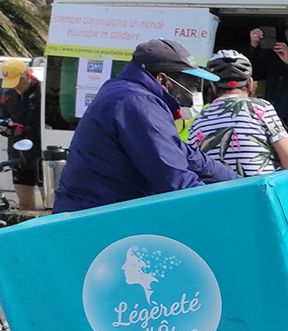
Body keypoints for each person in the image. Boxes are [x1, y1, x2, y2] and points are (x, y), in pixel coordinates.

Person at [53, 39, 237, 214]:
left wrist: (238, 183)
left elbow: (183, 153)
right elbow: (173, 177)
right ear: (163, 80)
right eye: (191, 83)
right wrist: (226, 207)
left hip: (99, 211)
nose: (195, 90)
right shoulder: (138, 102)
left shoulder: (127, 91)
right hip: (95, 217)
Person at [188, 50, 288, 177]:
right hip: (259, 193)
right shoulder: (262, 108)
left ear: (213, 86)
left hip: (217, 195)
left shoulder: (198, 119)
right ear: (250, 84)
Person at [0, 58, 41, 210]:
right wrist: (7, 127)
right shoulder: (9, 95)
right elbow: (3, 116)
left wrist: (25, 129)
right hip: (18, 154)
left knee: (48, 203)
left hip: (39, 153)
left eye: (17, 81)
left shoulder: (41, 92)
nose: (15, 86)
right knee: (25, 204)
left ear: (26, 75)